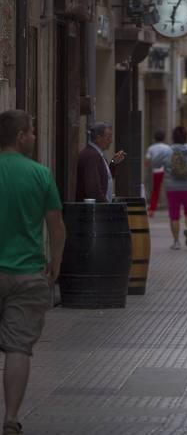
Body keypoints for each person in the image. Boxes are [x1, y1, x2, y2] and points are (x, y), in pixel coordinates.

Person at [0, 109, 66, 435]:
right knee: (17, 348)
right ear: (21, 136)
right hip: (27, 273)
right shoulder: (41, 174)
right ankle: (10, 419)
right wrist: (56, 262)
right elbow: (56, 225)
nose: (35, 137)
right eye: (33, 131)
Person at [75, 121, 126, 202]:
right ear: (98, 138)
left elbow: (105, 177)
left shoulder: (98, 154)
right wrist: (106, 206)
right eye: (108, 137)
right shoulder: (92, 156)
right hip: (94, 210)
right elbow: (94, 189)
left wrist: (113, 162)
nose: (110, 141)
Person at [145, 129, 170, 217]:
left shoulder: (151, 148)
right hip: (167, 171)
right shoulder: (167, 148)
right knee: (170, 190)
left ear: (154, 138)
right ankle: (173, 208)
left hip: (156, 171)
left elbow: (147, 161)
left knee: (155, 190)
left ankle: (152, 209)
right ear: (164, 138)